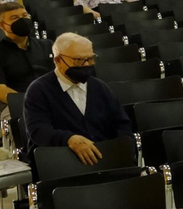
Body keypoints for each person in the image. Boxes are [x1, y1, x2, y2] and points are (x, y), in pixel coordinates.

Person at [22, 32, 133, 161]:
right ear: (58, 60)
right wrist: (69, 139)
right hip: (61, 160)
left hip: (103, 158)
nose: (86, 65)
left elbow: (121, 123)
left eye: (90, 59)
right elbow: (38, 131)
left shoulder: (99, 87)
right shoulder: (38, 90)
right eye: (79, 60)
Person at [0, 2, 52, 106]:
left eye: (25, 16)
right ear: (2, 25)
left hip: (52, 100)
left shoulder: (48, 45)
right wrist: (31, 103)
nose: (22, 20)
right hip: (18, 105)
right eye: (14, 18)